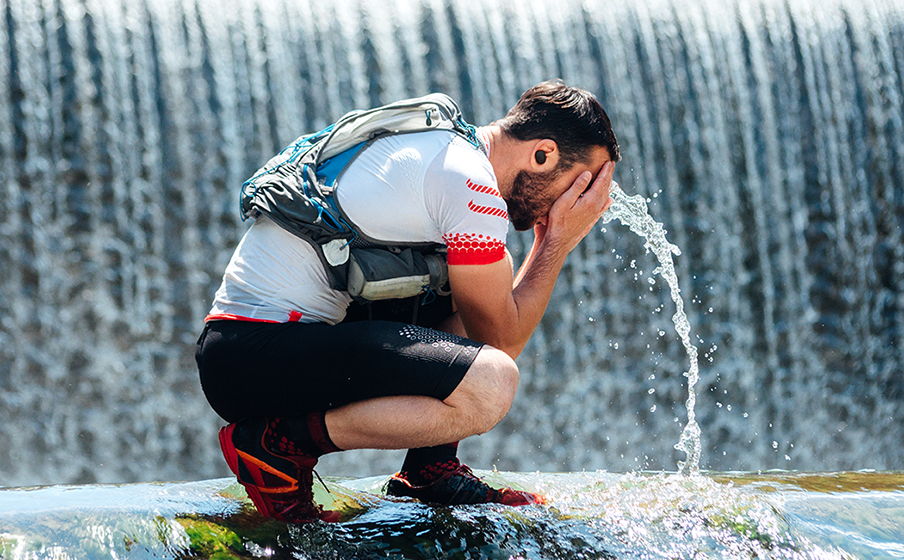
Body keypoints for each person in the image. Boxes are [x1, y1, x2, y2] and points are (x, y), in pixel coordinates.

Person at [195, 80, 620, 522]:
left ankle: (429, 470)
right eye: (581, 186)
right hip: (255, 357)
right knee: (491, 383)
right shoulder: (470, 183)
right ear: (543, 154)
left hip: (247, 352)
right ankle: (279, 445)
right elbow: (499, 342)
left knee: (478, 282)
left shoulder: (445, 147)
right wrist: (556, 243)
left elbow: (480, 319)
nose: (579, 203)